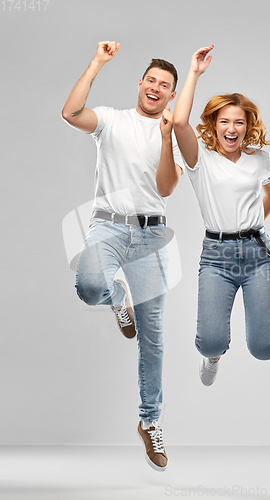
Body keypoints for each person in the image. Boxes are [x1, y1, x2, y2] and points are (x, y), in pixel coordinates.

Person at [62, 41, 183, 471]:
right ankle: (116, 296)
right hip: (108, 224)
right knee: (89, 285)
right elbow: (70, 113)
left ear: (172, 95)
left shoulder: (173, 133)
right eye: (151, 80)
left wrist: (168, 134)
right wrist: (96, 62)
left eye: (164, 85)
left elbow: (167, 188)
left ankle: (149, 422)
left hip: (152, 236)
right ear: (140, 84)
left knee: (153, 337)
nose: (155, 87)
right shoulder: (112, 120)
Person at [173, 46, 270, 387]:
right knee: (210, 341)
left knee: (265, 349)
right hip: (216, 258)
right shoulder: (199, 160)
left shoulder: (260, 159)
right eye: (224, 121)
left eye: (239, 122)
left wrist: (253, 226)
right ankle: (213, 356)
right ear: (214, 125)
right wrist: (194, 73)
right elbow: (179, 122)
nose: (232, 128)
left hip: (259, 255)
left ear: (248, 127)